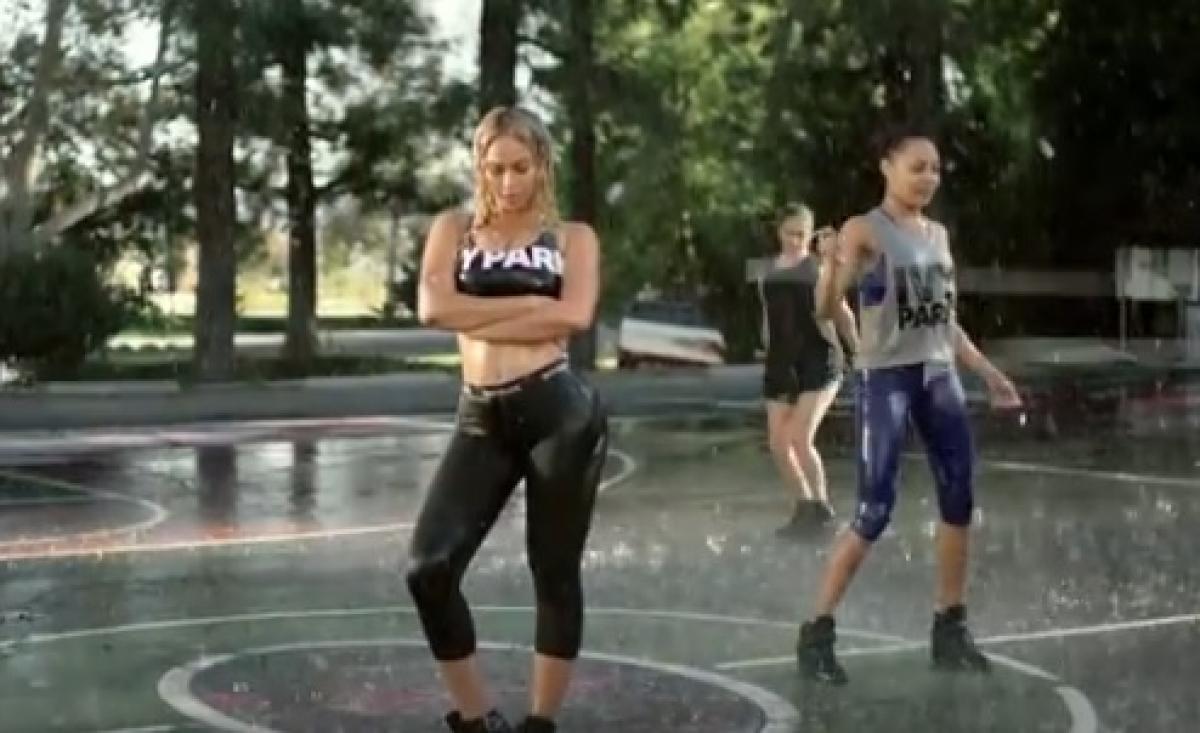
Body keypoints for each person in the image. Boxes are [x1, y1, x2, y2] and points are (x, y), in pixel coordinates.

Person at [795, 124, 1022, 685]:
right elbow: (826, 308)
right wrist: (832, 264)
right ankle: (816, 633)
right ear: (887, 167)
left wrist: (989, 373)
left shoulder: (938, 236)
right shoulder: (865, 229)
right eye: (916, 166)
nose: (928, 177)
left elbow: (945, 320)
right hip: (886, 379)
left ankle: (950, 627)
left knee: (959, 498)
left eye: (935, 169)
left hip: (938, 375)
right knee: (874, 510)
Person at [406, 106, 608, 733]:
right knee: (429, 569)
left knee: (553, 572)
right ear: (479, 166)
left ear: (542, 164)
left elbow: (573, 316)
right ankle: (475, 719)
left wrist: (477, 311)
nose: (508, 182)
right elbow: (433, 310)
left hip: (559, 414)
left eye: (521, 167)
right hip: (480, 417)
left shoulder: (572, 238)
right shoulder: (454, 229)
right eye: (495, 168)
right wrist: (529, 307)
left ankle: (540, 724)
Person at [758, 204, 858, 536]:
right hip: (782, 361)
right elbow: (768, 319)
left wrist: (859, 352)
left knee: (800, 438)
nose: (796, 241)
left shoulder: (817, 270)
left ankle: (823, 506)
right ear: (779, 232)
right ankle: (804, 507)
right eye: (790, 234)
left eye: (802, 234)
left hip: (820, 359)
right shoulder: (769, 273)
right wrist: (768, 352)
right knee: (778, 443)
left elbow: (842, 314)